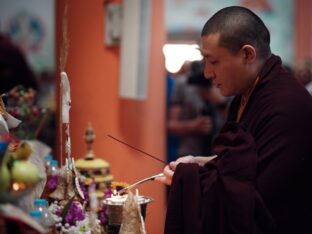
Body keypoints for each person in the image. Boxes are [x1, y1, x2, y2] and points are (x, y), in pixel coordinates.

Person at [156, 6, 312, 234]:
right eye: (205, 61)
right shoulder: (247, 93)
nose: (208, 73)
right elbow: (242, 165)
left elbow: (252, 203)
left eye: (214, 62)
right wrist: (197, 162)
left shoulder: (287, 106)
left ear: (247, 54)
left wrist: (189, 178)